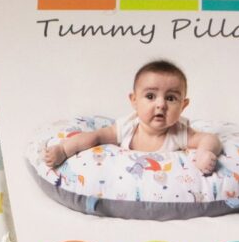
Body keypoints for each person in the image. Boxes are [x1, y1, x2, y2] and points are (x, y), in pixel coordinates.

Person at [43, 60, 222, 174]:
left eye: (170, 98)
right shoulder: (127, 127)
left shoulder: (180, 133)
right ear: (134, 101)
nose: (161, 104)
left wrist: (204, 153)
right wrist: (64, 150)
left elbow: (210, 139)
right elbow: (95, 137)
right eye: (150, 96)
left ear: (183, 105)